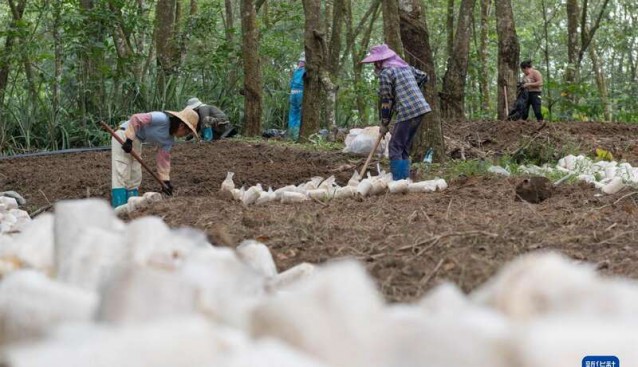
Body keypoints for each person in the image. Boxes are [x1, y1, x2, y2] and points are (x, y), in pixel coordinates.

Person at [360, 44, 431, 180]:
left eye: (375, 62)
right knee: (403, 147)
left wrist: (384, 123)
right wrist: (411, 90)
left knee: (394, 146)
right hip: (421, 108)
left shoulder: (386, 73)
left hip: (408, 111)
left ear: (380, 62)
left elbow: (386, 100)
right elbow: (424, 76)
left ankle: (399, 181)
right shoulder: (405, 68)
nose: (375, 65)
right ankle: (405, 180)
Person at [111, 108, 199, 208]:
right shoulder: (161, 118)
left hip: (137, 140)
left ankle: (130, 206)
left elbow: (163, 159)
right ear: (181, 126)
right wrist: (129, 140)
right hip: (124, 134)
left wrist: (165, 181)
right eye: (186, 132)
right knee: (122, 170)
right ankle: (118, 206)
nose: (185, 135)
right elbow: (136, 118)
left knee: (135, 175)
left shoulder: (169, 140)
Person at [288, 52, 305, 140]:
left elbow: (291, 84)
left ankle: (290, 135)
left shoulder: (296, 70)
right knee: (299, 114)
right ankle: (296, 136)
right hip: (300, 92)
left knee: (292, 113)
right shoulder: (305, 70)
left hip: (293, 93)